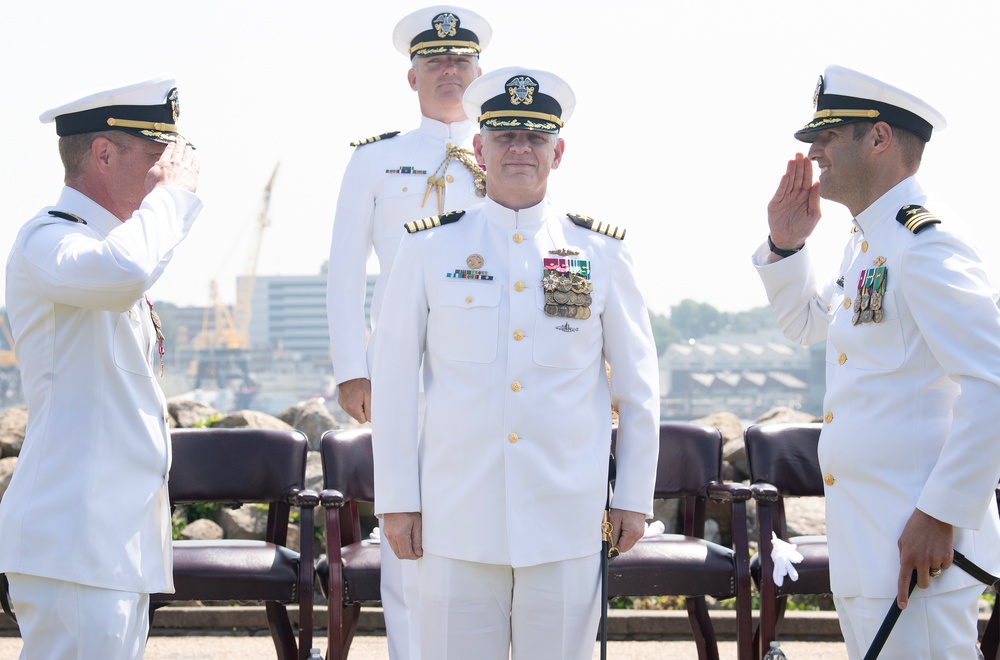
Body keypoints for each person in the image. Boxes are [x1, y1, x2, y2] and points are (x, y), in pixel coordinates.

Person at [370, 66, 660, 660]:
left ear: (559, 150)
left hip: (565, 518)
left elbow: (638, 388)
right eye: (505, 136)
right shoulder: (429, 247)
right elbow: (394, 384)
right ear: (479, 147)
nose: (520, 149)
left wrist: (633, 495)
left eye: (534, 137)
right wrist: (397, 500)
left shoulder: (599, 253)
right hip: (457, 518)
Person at [755, 64, 1000, 658]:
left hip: (919, 550)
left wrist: (941, 514)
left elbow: (992, 382)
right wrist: (787, 244)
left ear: (880, 138)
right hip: (872, 548)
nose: (814, 151)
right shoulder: (867, 243)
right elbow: (806, 324)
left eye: (829, 134)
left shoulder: (926, 243)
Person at [0, 75, 202, 659]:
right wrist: (174, 199)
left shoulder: (107, 247)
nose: (169, 172)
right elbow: (122, 274)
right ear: (104, 153)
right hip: (74, 539)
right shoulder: (48, 240)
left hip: (113, 544)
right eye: (157, 157)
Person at [325, 6, 490, 658]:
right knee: (409, 540)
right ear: (412, 76)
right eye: (436, 61)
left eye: (461, 61)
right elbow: (344, 269)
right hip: (406, 375)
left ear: (481, 74)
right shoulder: (377, 160)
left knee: (493, 538)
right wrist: (351, 369)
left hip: (492, 372)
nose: (449, 71)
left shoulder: (512, 150)